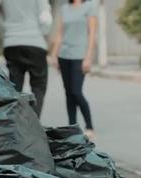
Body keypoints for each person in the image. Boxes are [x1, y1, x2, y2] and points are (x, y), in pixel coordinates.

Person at [50, 0, 97, 140]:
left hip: (80, 55)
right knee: (69, 93)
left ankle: (89, 126)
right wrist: (54, 54)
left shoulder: (89, 7)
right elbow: (60, 34)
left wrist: (88, 57)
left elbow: (92, 34)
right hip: (64, 55)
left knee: (76, 92)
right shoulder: (65, 8)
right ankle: (72, 127)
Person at [0, 0, 52, 118]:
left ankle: (15, 125)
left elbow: (1, 19)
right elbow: (45, 19)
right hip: (34, 41)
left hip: (11, 42)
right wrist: (42, 33)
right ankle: (33, 126)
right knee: (38, 85)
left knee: (14, 87)